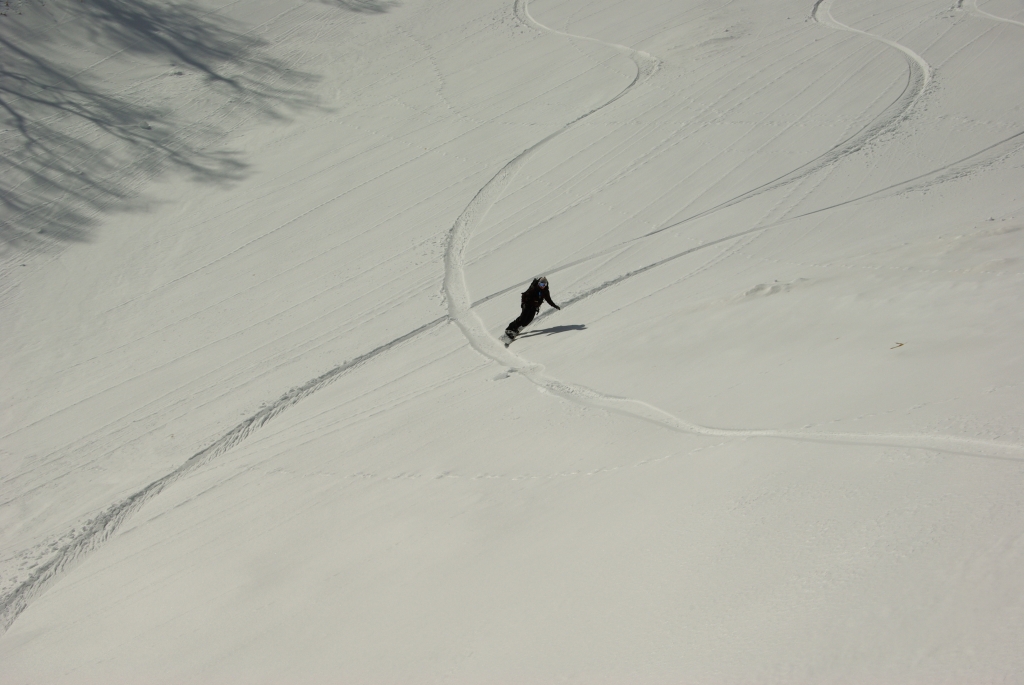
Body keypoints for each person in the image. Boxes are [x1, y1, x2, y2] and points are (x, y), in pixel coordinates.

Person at [505, 276, 560, 341]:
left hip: (534, 307)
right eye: (540, 284)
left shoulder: (545, 291)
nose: (542, 286)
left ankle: (515, 329)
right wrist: (523, 303)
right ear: (538, 283)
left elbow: (548, 300)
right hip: (527, 305)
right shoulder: (533, 288)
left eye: (544, 285)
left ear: (546, 284)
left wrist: (554, 305)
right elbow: (524, 295)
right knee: (522, 319)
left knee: (528, 321)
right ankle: (510, 329)